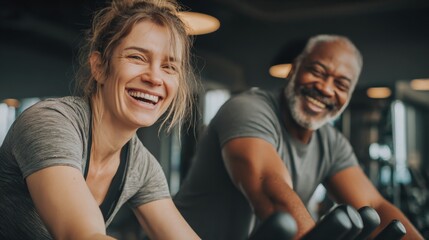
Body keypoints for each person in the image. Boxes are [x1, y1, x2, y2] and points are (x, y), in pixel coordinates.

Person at [174, 34, 423, 239]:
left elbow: (375, 207)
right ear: (293, 70)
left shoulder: (331, 143)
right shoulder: (248, 108)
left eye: (341, 84)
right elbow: (270, 189)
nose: (325, 88)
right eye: (317, 71)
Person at [0, 0, 200, 239]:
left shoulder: (140, 165)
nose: (155, 78)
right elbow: (84, 235)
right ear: (99, 67)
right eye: (137, 57)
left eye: (169, 67)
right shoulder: (50, 123)